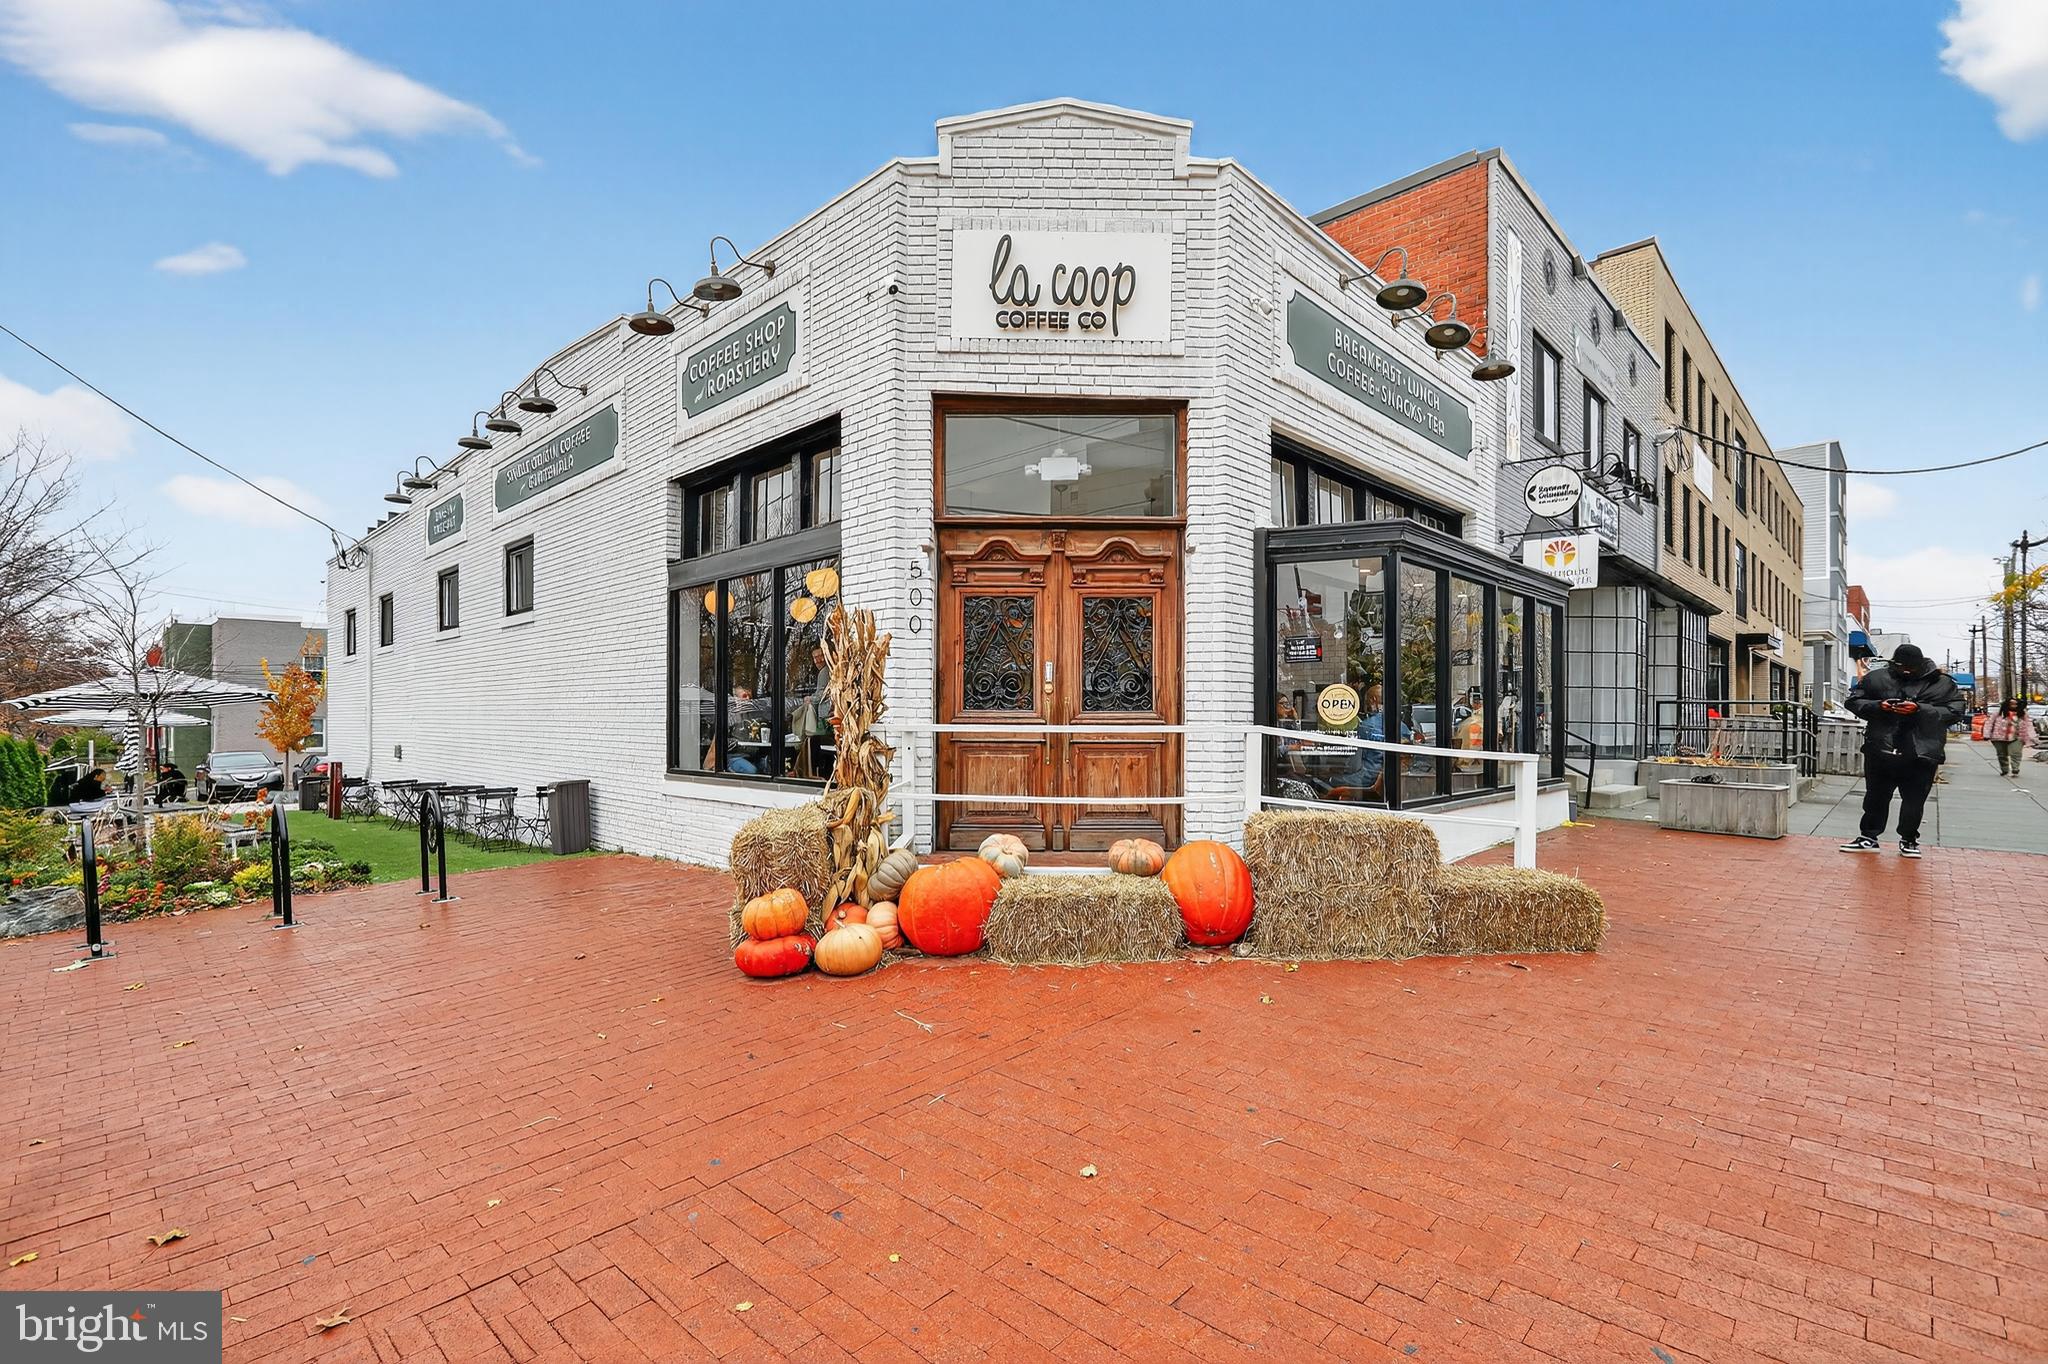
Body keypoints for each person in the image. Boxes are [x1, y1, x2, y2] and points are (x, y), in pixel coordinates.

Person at [1840, 644, 1966, 858]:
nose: (1906, 671)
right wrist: (1880, 706)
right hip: (1881, 747)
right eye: (1901, 666)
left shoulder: (1941, 683)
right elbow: (1853, 701)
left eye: (1911, 667)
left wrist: (1919, 710)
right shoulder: (1876, 678)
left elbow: (1955, 711)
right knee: (1875, 796)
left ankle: (1909, 839)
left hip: (1922, 751)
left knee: (1914, 800)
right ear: (1894, 663)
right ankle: (1869, 836)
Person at [1985, 699, 2035, 777]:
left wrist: (2032, 737)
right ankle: (2004, 770)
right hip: (1999, 737)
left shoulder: (2022, 714)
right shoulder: (1998, 713)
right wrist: (1986, 734)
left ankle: (2015, 769)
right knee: (2002, 754)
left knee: (2015, 753)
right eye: (2011, 704)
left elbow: (2029, 725)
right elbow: (1989, 723)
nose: (2014, 706)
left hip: (2017, 737)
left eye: (2016, 704)